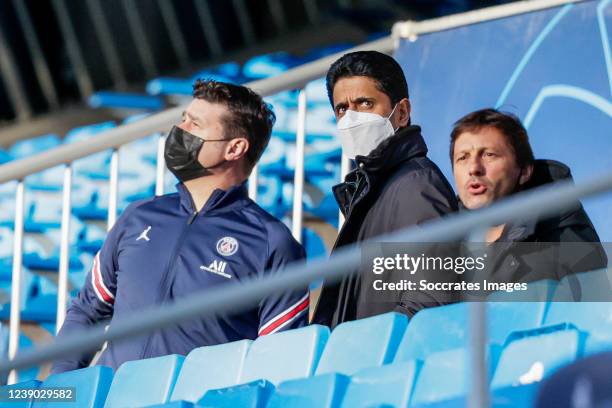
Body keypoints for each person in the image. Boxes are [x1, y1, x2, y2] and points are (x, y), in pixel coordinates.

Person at [52, 80, 309, 373]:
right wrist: (61, 388)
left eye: (195, 124)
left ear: (234, 148)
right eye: (183, 119)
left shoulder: (271, 242)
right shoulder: (139, 215)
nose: (179, 131)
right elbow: (87, 312)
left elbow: (280, 357)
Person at [312, 51, 459, 328]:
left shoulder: (416, 185)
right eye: (341, 108)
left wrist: (368, 354)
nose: (351, 118)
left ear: (401, 112)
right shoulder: (373, 189)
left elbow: (429, 300)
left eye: (365, 103)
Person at [450, 108, 607, 284]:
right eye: (462, 158)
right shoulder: (445, 243)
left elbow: (590, 303)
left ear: (524, 170)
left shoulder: (559, 227)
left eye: (489, 154)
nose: (473, 168)